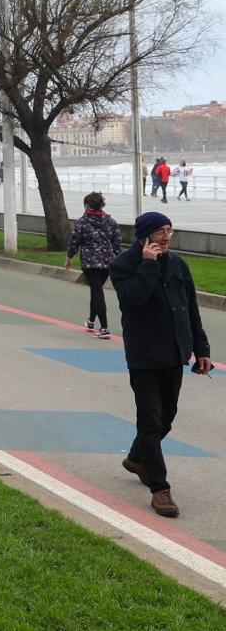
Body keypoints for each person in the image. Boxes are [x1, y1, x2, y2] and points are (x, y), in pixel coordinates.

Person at [110, 212, 213, 518]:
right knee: (151, 421)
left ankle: (136, 458)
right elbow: (132, 301)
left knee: (167, 417)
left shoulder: (178, 264)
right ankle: (160, 489)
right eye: (159, 232)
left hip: (174, 354)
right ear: (144, 236)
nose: (166, 237)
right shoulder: (123, 265)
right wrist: (148, 264)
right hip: (144, 357)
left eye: (169, 230)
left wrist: (201, 348)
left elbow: (190, 309)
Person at [65, 192, 122, 339]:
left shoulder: (81, 222)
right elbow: (117, 244)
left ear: (86, 205)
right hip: (107, 262)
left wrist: (69, 257)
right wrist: (120, 260)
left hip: (89, 262)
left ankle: (104, 328)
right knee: (96, 290)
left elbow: (74, 242)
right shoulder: (111, 222)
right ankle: (91, 321)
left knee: (97, 291)